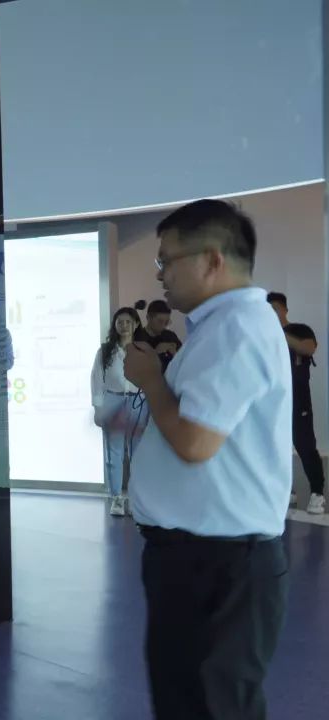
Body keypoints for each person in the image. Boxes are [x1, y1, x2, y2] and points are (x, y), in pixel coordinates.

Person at [124, 199, 290, 720]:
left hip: (219, 566)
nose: (160, 275)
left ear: (212, 260)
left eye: (166, 260)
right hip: (198, 559)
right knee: (187, 702)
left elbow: (195, 443)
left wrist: (151, 382)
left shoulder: (238, 328)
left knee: (213, 706)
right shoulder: (220, 328)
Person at [267, 291, 325, 514]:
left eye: (275, 309)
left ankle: (317, 493)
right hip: (272, 400)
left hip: (298, 400)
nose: (272, 313)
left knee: (305, 445)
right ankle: (286, 491)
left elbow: (308, 348)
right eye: (268, 310)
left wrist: (280, 333)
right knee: (275, 447)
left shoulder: (300, 330)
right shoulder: (263, 335)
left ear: (285, 309)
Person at [90, 307, 148, 517]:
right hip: (112, 401)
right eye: (119, 322)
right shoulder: (105, 351)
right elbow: (97, 379)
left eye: (128, 322)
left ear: (136, 324)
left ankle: (135, 498)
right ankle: (116, 497)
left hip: (138, 401)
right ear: (114, 325)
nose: (124, 326)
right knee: (113, 453)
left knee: (138, 453)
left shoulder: (143, 350)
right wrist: (98, 408)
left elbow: (151, 377)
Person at [134, 300, 183, 369]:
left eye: (167, 322)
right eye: (160, 321)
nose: (164, 325)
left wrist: (175, 354)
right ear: (148, 318)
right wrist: (155, 353)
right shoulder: (137, 338)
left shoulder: (171, 336)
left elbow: (184, 362)